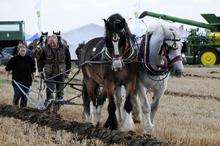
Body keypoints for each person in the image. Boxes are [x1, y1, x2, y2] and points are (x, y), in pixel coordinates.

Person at [38, 35, 71, 106]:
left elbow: (68, 61)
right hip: (49, 72)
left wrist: (68, 72)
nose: (52, 44)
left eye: (53, 43)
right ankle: (48, 101)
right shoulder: (44, 49)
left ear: (57, 41)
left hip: (61, 72)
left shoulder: (64, 48)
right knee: (51, 88)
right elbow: (40, 61)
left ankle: (58, 103)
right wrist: (40, 71)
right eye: (50, 43)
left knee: (60, 89)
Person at [5, 42, 36, 107]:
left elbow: (33, 69)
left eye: (24, 51)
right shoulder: (14, 59)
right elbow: (8, 69)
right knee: (18, 93)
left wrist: (33, 77)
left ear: (26, 50)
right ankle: (15, 106)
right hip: (17, 81)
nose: (23, 52)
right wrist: (7, 77)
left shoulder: (30, 59)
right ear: (19, 50)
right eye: (21, 51)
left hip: (27, 81)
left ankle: (23, 110)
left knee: (25, 96)